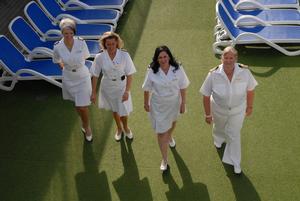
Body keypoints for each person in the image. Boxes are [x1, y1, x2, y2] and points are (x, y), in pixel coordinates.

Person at [200, 46, 258, 174]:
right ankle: (218, 138)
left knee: (234, 134)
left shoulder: (245, 72)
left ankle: (235, 163)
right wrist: (208, 114)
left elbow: (250, 90)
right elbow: (205, 95)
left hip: (238, 110)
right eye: (226, 58)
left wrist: (249, 106)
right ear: (221, 59)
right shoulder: (213, 74)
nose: (228, 60)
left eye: (231, 58)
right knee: (219, 127)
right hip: (218, 109)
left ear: (236, 59)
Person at [142, 45, 190, 171]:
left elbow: (183, 86)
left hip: (175, 102)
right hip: (158, 105)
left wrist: (183, 103)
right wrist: (145, 103)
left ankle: (169, 136)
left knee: (173, 122)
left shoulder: (177, 68)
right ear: (156, 59)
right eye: (160, 57)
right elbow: (147, 88)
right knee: (161, 131)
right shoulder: (151, 70)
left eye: (165, 56)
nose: (163, 59)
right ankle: (164, 159)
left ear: (169, 56)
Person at [90, 32, 136, 141]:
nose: (110, 47)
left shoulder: (124, 55)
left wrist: (127, 91)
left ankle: (125, 127)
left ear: (117, 43)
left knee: (123, 111)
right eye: (108, 44)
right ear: (104, 44)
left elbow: (130, 74)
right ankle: (119, 128)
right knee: (115, 110)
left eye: (113, 44)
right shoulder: (99, 57)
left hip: (122, 86)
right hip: (108, 87)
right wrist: (93, 92)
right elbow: (95, 75)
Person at [53, 18, 93, 142]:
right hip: (68, 77)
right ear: (62, 33)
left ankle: (87, 126)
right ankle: (83, 121)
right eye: (66, 33)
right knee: (77, 104)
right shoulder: (57, 46)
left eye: (71, 33)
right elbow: (57, 60)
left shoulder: (81, 42)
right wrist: (66, 68)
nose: (69, 36)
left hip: (82, 76)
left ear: (74, 32)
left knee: (83, 106)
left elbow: (86, 56)